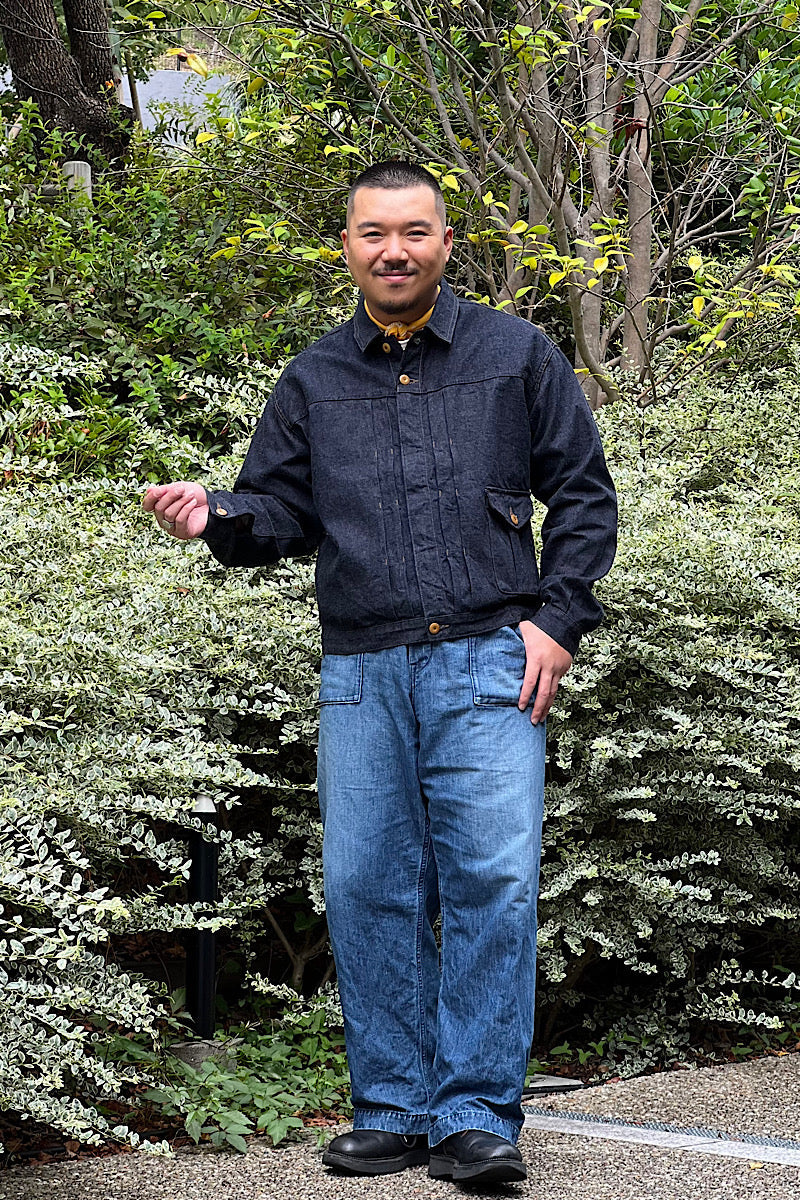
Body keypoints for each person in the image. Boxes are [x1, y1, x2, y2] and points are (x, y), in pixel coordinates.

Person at [143, 160, 617, 1185]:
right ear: (346, 248)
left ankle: (476, 1116)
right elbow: (275, 515)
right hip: (362, 670)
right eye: (371, 234)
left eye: (412, 232)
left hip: (491, 657)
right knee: (367, 887)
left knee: (491, 882)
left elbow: (581, 493)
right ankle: (394, 1107)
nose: (392, 250)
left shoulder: (514, 355)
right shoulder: (314, 377)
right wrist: (216, 516)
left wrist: (557, 621)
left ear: (447, 243)